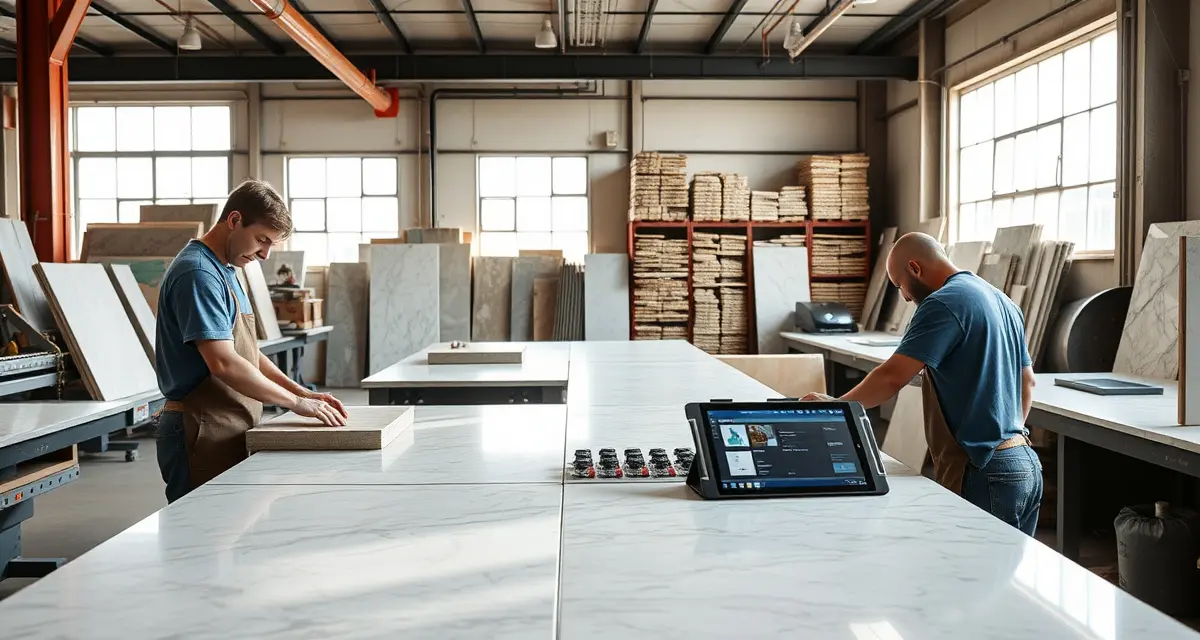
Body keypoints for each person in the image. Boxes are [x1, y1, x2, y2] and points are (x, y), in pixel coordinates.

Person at [803, 232, 1042, 535]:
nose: (903, 297)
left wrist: (835, 408)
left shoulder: (943, 303)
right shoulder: (1003, 301)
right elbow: (1028, 382)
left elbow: (891, 377)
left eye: (899, 284)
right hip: (1024, 465)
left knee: (974, 576)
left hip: (986, 472)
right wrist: (1005, 442)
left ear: (914, 268)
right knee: (1008, 578)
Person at [154, 180, 348, 503]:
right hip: (198, 429)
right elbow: (223, 362)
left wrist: (303, 392)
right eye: (261, 239)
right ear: (234, 220)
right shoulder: (198, 273)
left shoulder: (227, 271)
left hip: (225, 426)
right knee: (199, 540)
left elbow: (249, 355)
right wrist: (294, 404)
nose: (264, 254)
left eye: (271, 244)